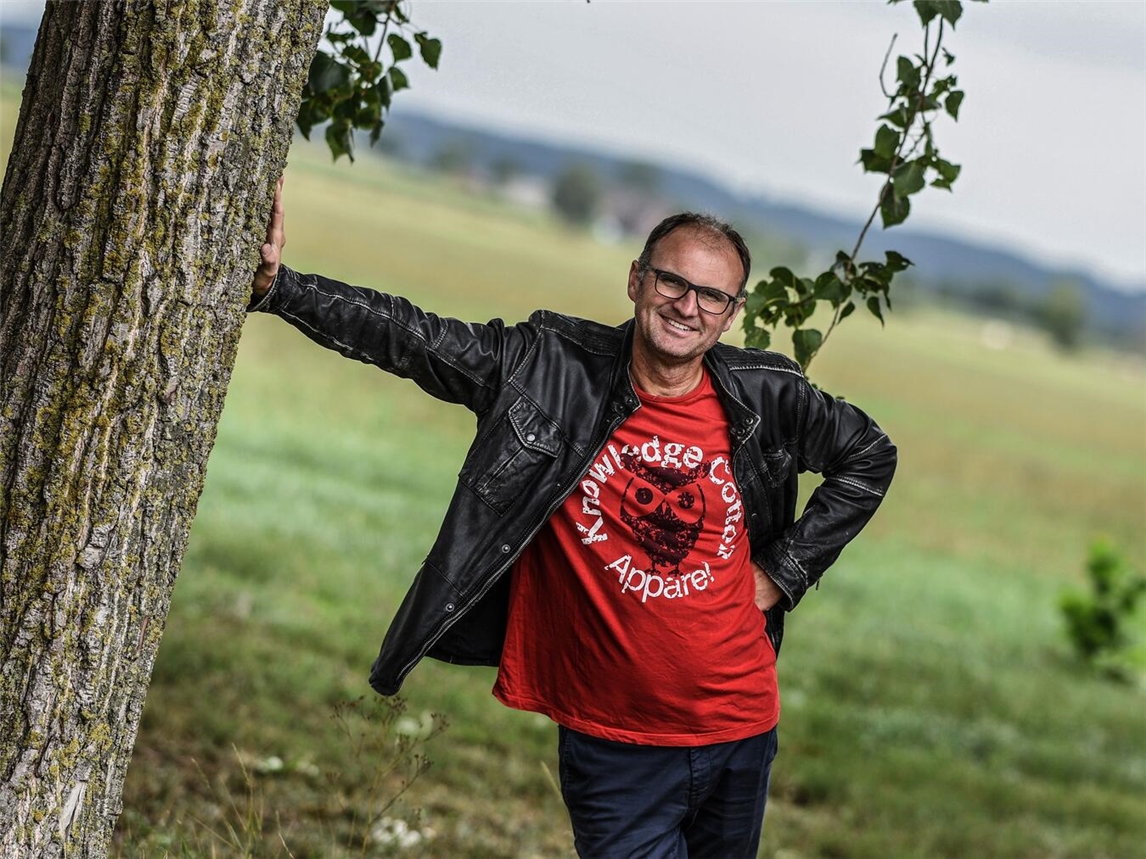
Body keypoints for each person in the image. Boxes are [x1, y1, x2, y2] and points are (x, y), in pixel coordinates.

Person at [248, 178, 896, 858]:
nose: (687, 305)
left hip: (740, 724)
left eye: (711, 294)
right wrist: (280, 289)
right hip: (614, 742)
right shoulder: (548, 368)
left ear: (731, 313)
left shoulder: (767, 392)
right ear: (637, 280)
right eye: (672, 281)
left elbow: (869, 455)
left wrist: (780, 572)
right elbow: (413, 337)